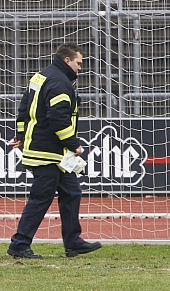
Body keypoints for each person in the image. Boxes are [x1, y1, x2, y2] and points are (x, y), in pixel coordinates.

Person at [8, 43, 102, 259]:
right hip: (47, 152)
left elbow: (24, 107)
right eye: (79, 63)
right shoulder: (60, 83)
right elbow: (58, 119)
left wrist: (21, 134)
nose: (80, 68)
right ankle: (20, 243)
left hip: (49, 151)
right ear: (67, 60)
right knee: (41, 198)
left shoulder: (40, 76)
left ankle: (73, 242)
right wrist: (73, 144)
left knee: (72, 193)